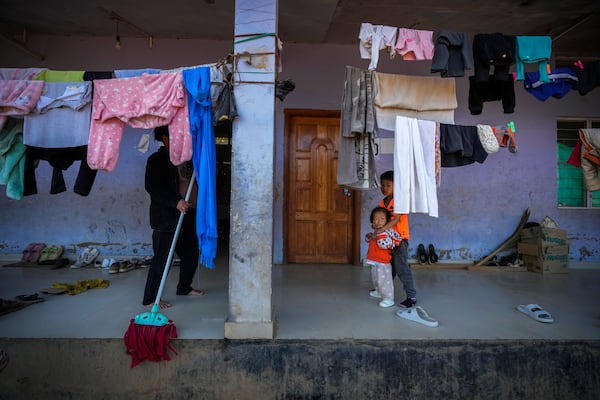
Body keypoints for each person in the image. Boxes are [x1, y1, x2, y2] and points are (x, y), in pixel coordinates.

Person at [142, 125, 204, 309]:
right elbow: (153, 187)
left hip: (190, 212)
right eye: (176, 135)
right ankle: (150, 298)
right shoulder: (157, 160)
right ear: (165, 138)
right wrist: (176, 201)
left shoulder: (189, 158)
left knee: (191, 253)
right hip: (167, 216)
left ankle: (184, 287)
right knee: (163, 257)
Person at [372, 170, 417, 309]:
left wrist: (382, 229)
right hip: (388, 239)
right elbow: (381, 219)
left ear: (395, 186)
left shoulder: (399, 201)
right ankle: (383, 291)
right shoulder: (382, 202)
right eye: (382, 185)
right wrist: (376, 232)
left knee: (401, 268)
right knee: (387, 266)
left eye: (388, 185)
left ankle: (411, 297)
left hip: (400, 240)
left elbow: (396, 219)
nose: (384, 188)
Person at [365, 207, 401, 308]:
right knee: (375, 279)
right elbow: (369, 240)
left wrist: (379, 237)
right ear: (372, 222)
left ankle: (388, 298)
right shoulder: (376, 231)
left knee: (384, 281)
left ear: (387, 221)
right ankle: (378, 292)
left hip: (383, 262)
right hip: (374, 260)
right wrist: (370, 236)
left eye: (382, 219)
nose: (379, 221)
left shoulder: (386, 232)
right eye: (376, 219)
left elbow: (387, 244)